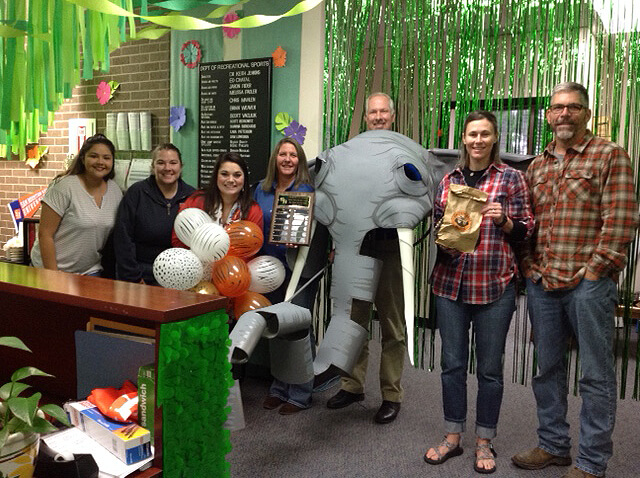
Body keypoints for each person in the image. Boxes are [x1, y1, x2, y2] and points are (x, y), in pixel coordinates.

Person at [511, 82, 638, 478]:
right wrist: (529, 267)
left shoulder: (610, 155)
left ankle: (591, 461)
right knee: (547, 368)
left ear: (585, 112)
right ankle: (553, 445)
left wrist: (596, 270)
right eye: (556, 108)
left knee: (596, 374)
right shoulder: (537, 165)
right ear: (549, 115)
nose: (563, 114)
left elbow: (622, 221)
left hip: (589, 286)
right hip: (543, 284)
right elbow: (528, 225)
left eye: (572, 107)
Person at [424, 111, 534, 474]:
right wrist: (446, 241)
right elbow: (441, 235)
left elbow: (526, 231)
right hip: (450, 285)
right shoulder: (448, 181)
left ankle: (485, 440)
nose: (478, 140)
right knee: (451, 365)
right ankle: (453, 436)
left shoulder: (512, 178)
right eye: (472, 134)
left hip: (495, 286)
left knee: (489, 370)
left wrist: (503, 219)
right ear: (465, 139)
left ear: (495, 137)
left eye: (485, 134)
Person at [326, 92, 405, 424]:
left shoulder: (406, 152)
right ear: (366, 117)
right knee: (353, 320)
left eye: (383, 111)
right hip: (355, 249)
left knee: (392, 324)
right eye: (372, 112)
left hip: (389, 247)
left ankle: (391, 394)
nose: (377, 116)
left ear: (392, 115)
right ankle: (352, 384)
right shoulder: (351, 153)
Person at [254, 137, 316, 415]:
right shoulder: (261, 190)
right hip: (267, 270)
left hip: (299, 269)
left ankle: (301, 392)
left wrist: (300, 240)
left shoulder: (307, 191)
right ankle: (279, 387)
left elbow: (319, 231)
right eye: (283, 154)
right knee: (276, 328)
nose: (288, 159)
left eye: (293, 155)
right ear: (275, 159)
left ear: (299, 160)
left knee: (298, 330)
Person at [31, 134, 122, 276]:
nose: (100, 162)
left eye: (106, 158)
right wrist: (53, 276)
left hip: (90, 272)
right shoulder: (64, 186)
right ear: (82, 158)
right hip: (52, 270)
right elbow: (45, 234)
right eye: (93, 156)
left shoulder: (115, 192)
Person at [114, 143, 195, 285]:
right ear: (152, 167)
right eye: (161, 163)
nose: (167, 168)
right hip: (142, 273)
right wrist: (133, 277)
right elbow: (123, 238)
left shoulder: (192, 196)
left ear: (181, 166)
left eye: (173, 163)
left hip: (180, 275)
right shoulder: (137, 193)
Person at [172, 152, 263, 247]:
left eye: (237, 175)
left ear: (244, 179)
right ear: (216, 176)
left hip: (235, 261)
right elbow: (178, 238)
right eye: (224, 174)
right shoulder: (196, 201)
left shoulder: (253, 210)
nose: (231, 180)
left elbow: (253, 248)